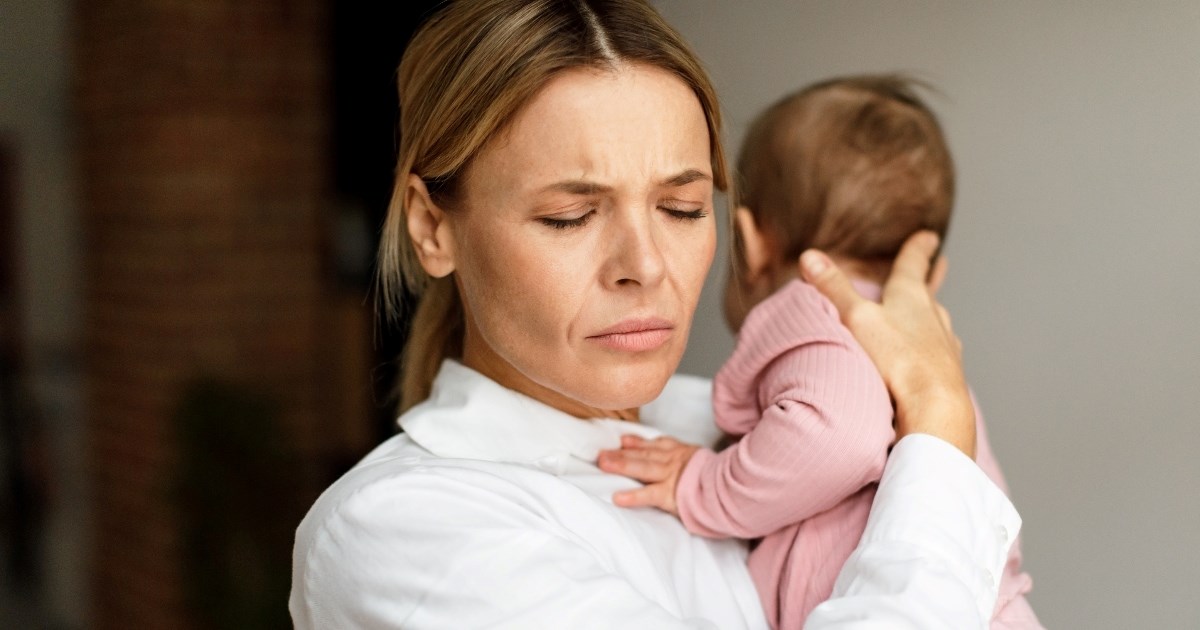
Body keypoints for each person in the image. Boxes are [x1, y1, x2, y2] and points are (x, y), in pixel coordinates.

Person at [289, 1, 1020, 628]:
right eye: (570, 217)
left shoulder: (761, 427)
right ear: (432, 227)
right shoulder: (403, 529)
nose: (644, 265)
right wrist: (940, 427)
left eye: (682, 208)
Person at [596, 75, 1042, 628]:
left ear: (751, 243)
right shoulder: (927, 360)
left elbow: (843, 438)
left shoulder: (811, 310)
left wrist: (704, 483)